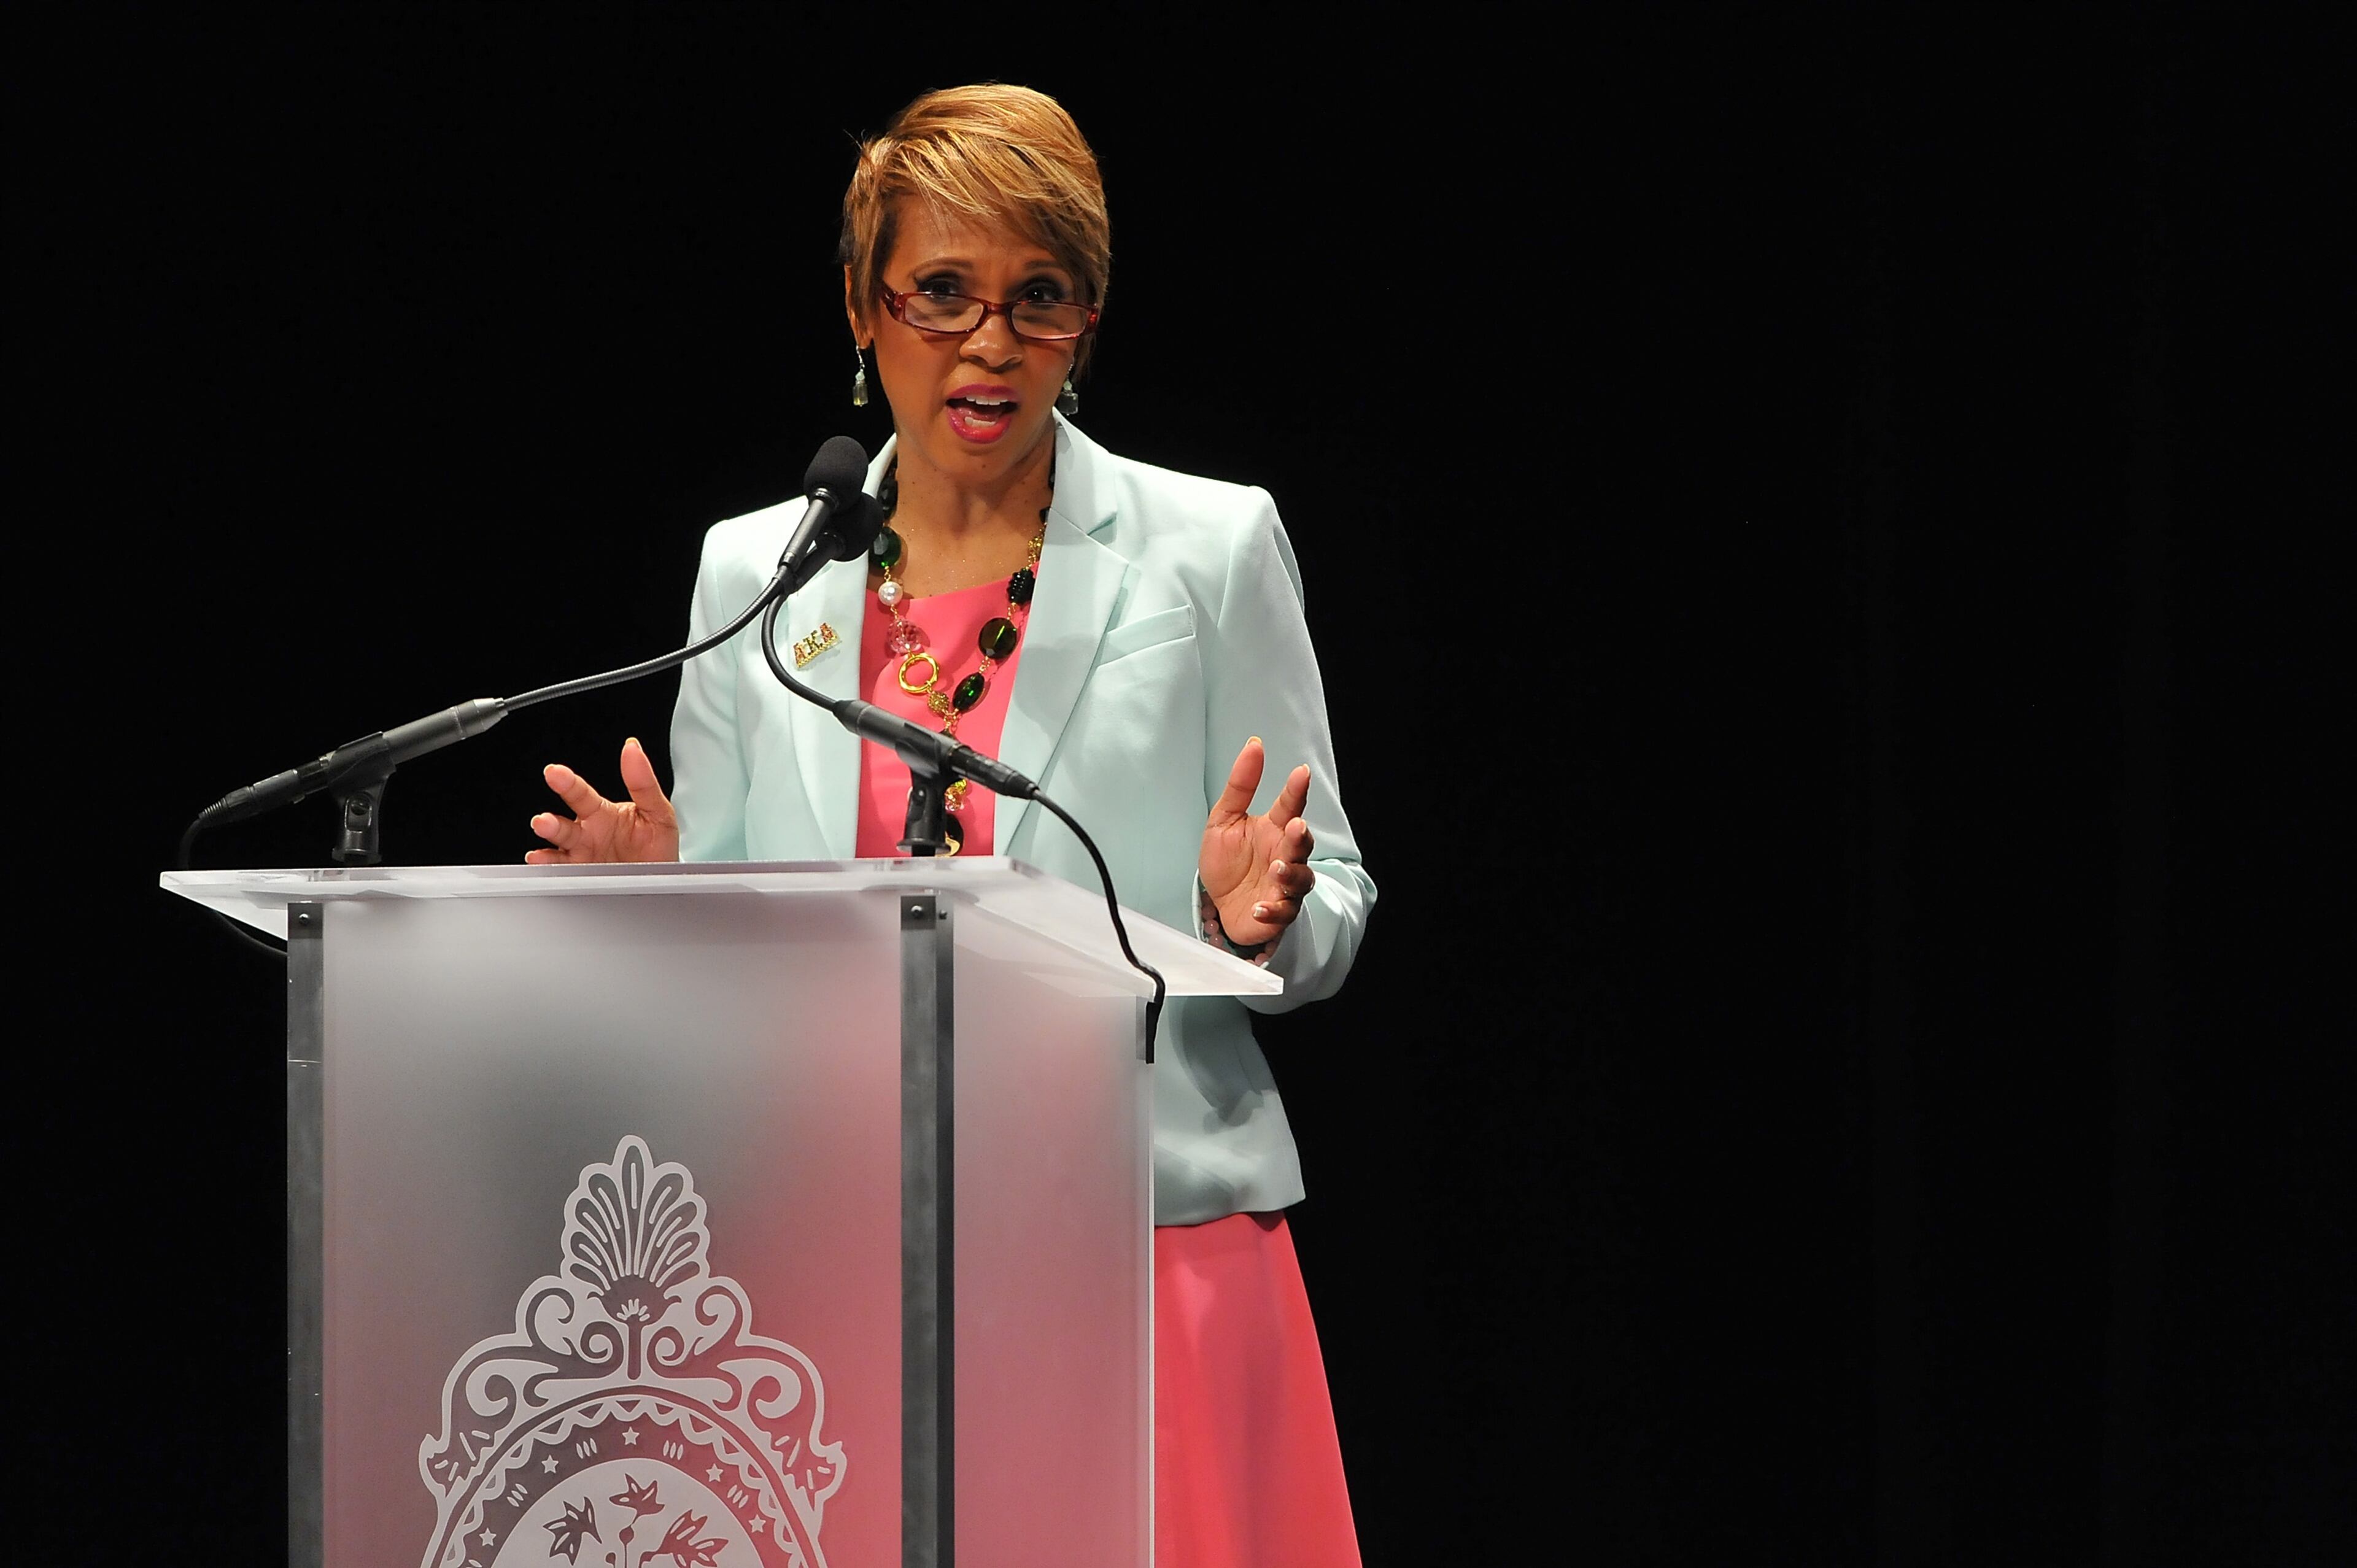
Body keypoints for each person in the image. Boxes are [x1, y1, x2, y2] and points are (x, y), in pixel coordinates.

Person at [526, 83, 1372, 1567]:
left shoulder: (1210, 547)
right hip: (842, 1264)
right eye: (943, 293)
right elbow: (743, 977)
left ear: (1088, 321)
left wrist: (1263, 920)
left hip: (1148, 1244)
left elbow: (1336, 892)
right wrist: (664, 909)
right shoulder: (757, 578)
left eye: (1039, 298)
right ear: (865, 306)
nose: (990, 344)